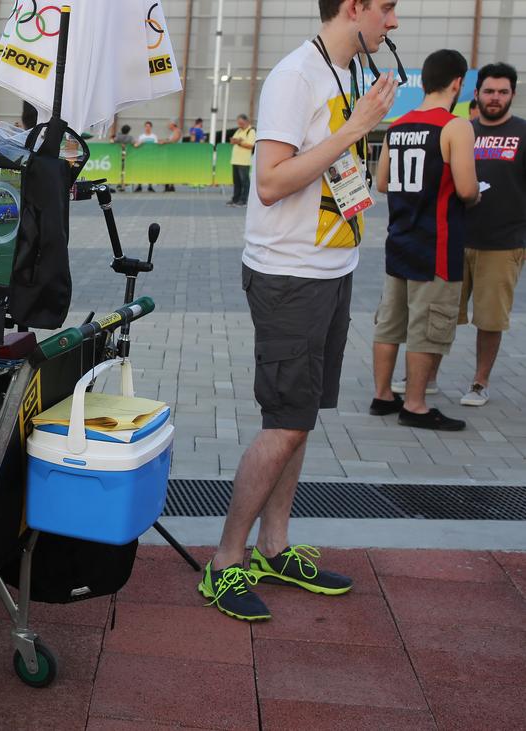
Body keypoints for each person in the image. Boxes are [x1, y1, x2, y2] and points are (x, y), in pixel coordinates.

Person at [200, 0, 400, 622]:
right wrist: (354, 128)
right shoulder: (296, 76)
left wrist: (364, 132)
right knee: (284, 420)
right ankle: (224, 561)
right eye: (387, 8)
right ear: (353, 7)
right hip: (288, 276)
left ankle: (274, 545)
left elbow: (340, 171)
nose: (393, 23)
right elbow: (270, 181)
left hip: (331, 268)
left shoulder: (343, 74)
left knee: (303, 415)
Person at [371, 49, 480, 431]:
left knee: (389, 324)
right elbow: (466, 189)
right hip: (437, 244)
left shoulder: (398, 125)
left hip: (399, 240)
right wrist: (477, 194)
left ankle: (383, 395)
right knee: (426, 325)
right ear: (457, 83)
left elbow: (382, 183)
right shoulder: (456, 126)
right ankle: (415, 405)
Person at [458, 62, 525, 407]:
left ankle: (480, 383)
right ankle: (423, 376)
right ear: (477, 94)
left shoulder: (523, 134)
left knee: (490, 318)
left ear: (512, 94)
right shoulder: (462, 131)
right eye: (489, 91)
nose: (495, 98)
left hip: (503, 244)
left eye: (502, 92)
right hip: (456, 239)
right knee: (440, 314)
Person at [228, 114, 256, 206]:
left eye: (241, 123)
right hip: (235, 160)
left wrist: (239, 143)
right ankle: (235, 199)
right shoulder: (239, 130)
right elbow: (233, 141)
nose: (240, 125)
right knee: (236, 182)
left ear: (247, 121)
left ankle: (244, 200)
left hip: (244, 161)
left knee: (244, 181)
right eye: (238, 123)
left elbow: (251, 145)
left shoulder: (251, 131)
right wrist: (233, 141)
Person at [134, 121, 158, 192]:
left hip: (151, 157)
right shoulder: (142, 136)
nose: (147, 128)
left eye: (149, 126)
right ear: (144, 127)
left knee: (150, 171)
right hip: (142, 156)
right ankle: (139, 186)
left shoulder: (154, 136)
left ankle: (150, 186)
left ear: (151, 127)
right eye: (146, 126)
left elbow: (156, 146)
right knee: (141, 171)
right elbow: (137, 145)